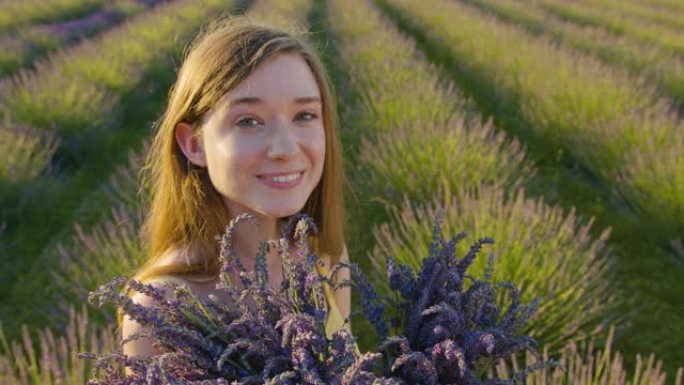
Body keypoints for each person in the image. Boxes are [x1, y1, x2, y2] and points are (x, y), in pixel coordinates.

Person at [118, 16, 352, 365]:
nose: (285, 148)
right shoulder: (163, 307)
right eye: (248, 121)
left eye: (304, 115)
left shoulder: (323, 256)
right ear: (194, 144)